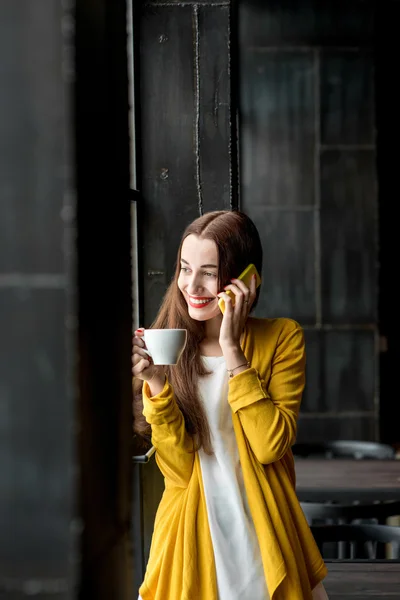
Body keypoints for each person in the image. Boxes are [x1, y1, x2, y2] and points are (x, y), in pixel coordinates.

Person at [132, 210, 329, 600]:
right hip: (190, 532)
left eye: (209, 271)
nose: (193, 284)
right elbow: (178, 470)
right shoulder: (165, 345)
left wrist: (232, 348)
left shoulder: (282, 338)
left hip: (263, 529)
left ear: (247, 279)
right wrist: (155, 381)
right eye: (185, 269)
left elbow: (270, 445)